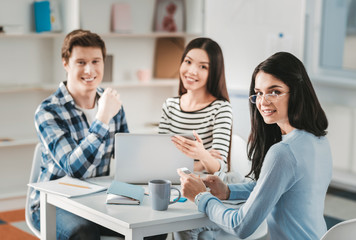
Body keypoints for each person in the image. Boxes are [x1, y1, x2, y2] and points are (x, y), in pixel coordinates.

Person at [178, 52, 333, 240]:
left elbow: (240, 226)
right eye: (259, 93)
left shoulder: (284, 152)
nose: (263, 101)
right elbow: (271, 186)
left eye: (274, 91)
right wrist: (227, 191)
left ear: (297, 92)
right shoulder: (318, 140)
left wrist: (201, 196)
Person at [28, 29, 166, 240]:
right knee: (84, 233)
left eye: (96, 61)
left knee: (153, 229)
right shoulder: (48, 111)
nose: (89, 70)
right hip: (53, 204)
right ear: (66, 63)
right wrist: (101, 119)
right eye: (81, 62)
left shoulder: (113, 106)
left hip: (98, 200)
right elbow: (74, 169)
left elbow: (127, 160)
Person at [158, 37, 233, 175]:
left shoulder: (221, 109)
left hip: (203, 187)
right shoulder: (170, 105)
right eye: (188, 62)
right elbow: (161, 157)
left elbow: (218, 168)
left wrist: (202, 155)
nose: (192, 71)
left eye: (203, 66)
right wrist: (200, 162)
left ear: (214, 72)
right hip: (171, 182)